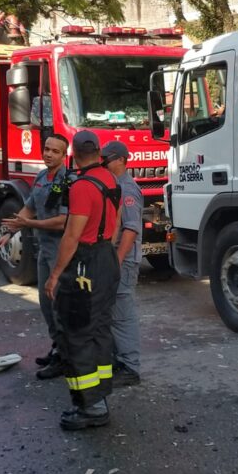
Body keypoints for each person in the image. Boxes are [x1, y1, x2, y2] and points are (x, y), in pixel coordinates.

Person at [45, 130, 120, 430]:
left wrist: (54, 276)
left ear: (73, 154)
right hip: (106, 258)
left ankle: (90, 407)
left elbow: (72, 235)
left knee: (76, 332)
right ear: (99, 152)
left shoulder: (81, 187)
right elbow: (114, 225)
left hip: (85, 263)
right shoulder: (111, 179)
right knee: (100, 328)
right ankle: (101, 394)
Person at [0, 133, 71, 379]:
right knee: (46, 305)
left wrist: (30, 224)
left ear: (63, 155)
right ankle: (57, 347)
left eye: (54, 151)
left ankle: (66, 357)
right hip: (43, 250)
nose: (48, 154)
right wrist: (9, 232)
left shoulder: (68, 181)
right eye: (46, 149)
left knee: (60, 305)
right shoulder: (40, 177)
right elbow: (29, 208)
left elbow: (63, 221)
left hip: (60, 252)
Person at [101, 141, 142, 387]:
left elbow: (130, 230)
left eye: (106, 160)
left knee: (123, 314)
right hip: (116, 260)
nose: (103, 163)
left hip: (123, 262)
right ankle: (120, 360)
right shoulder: (114, 185)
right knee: (113, 313)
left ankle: (130, 366)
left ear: (120, 160)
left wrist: (115, 262)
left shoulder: (127, 189)